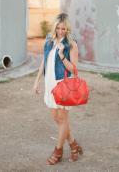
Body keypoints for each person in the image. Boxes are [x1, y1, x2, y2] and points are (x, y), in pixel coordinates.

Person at [33, 12, 83, 165]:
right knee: (57, 119)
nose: (60, 31)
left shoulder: (71, 44)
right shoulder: (49, 41)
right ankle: (74, 145)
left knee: (62, 119)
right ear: (54, 27)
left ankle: (58, 151)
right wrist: (36, 81)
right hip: (50, 84)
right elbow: (44, 62)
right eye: (58, 28)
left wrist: (62, 55)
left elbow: (74, 69)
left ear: (67, 29)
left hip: (63, 85)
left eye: (64, 29)